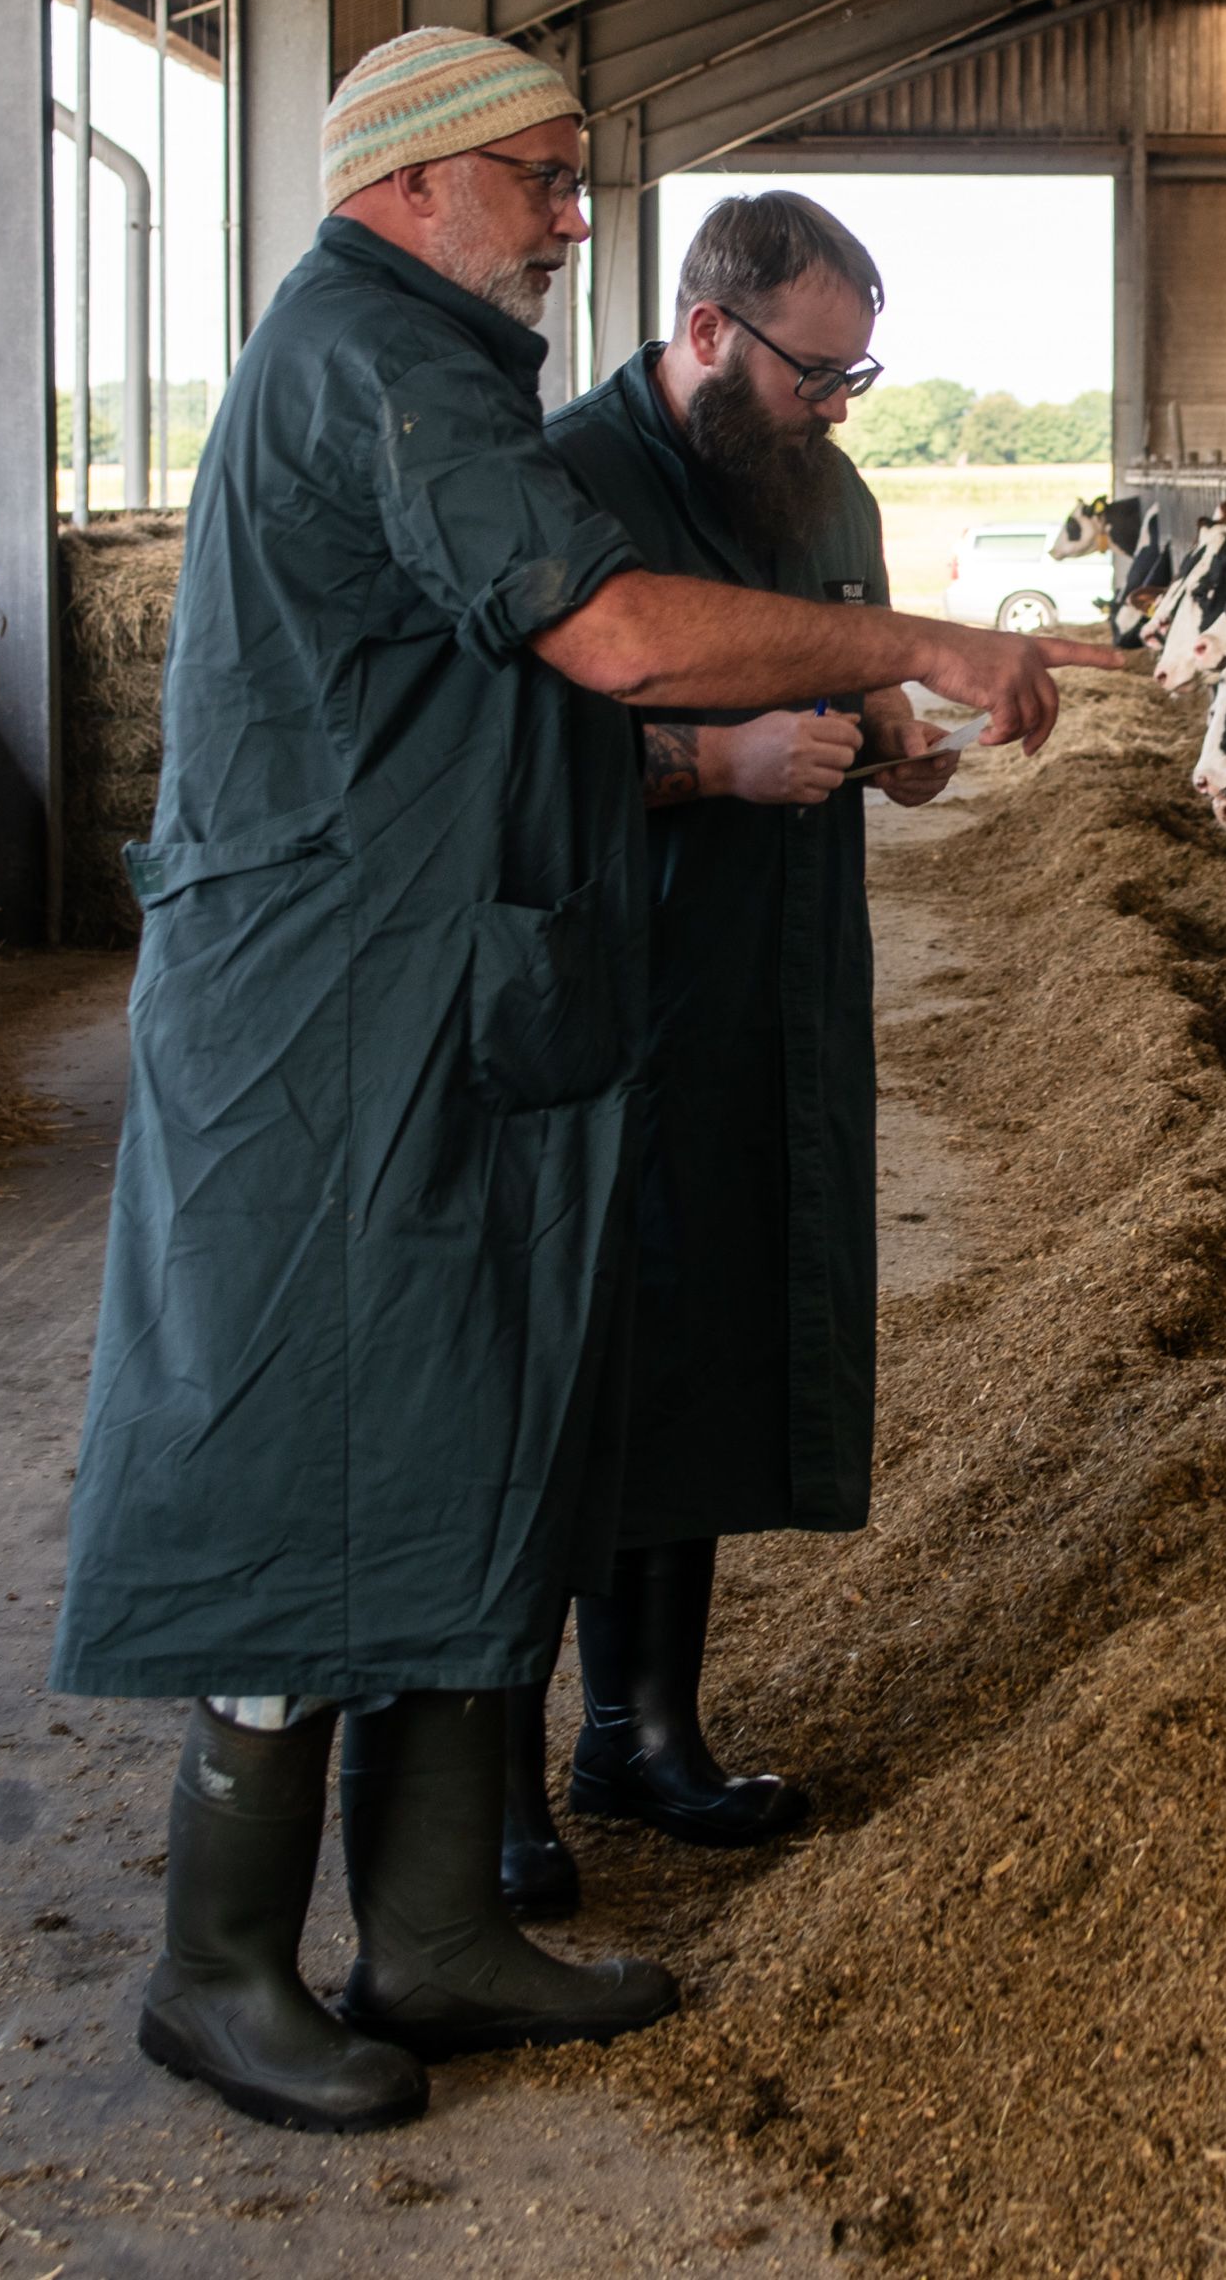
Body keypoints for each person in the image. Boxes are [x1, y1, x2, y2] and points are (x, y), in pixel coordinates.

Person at [48, 30, 1111, 2137]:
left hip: (438, 987)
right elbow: (613, 638)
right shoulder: (376, 357)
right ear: (411, 181)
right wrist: (918, 646)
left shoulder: (436, 362)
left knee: (473, 1422)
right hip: (325, 1016)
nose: (567, 216)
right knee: (314, 1447)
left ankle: (436, 1932)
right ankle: (217, 1968)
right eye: (537, 176)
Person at [514, 192, 938, 1917]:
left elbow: (867, 676)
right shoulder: (563, 484)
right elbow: (490, 771)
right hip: (597, 999)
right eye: (814, 373)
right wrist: (711, 766)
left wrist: (901, 739)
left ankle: (642, 1732)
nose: (834, 408)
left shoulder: (822, 490)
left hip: (770, 985)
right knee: (561, 1373)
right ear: (706, 331)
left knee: (698, 1349)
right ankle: (490, 1780)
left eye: (855, 378)